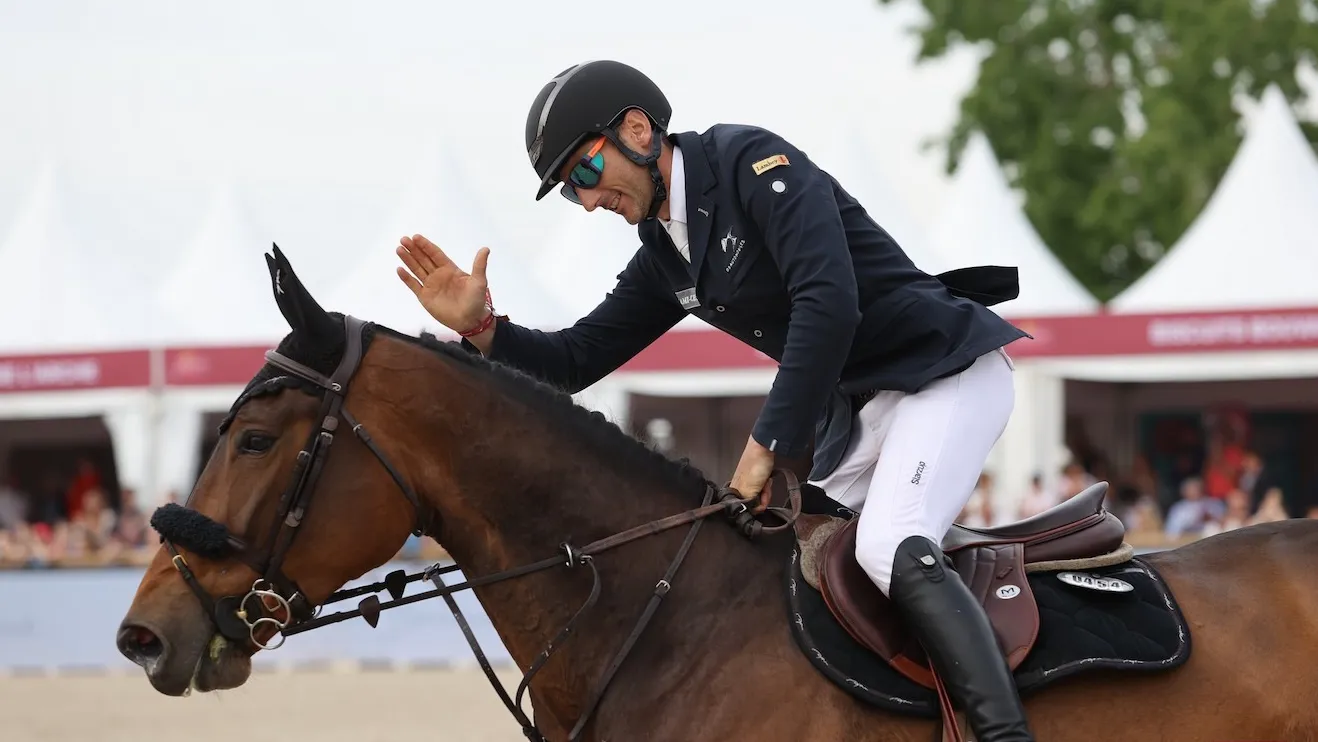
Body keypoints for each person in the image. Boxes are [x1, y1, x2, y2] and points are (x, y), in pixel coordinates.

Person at [394, 59, 1035, 741]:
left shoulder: (749, 163)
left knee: (886, 547)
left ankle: (1004, 734)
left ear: (636, 131)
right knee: (780, 561)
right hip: (871, 412)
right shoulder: (665, 253)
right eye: (570, 191)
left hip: (945, 372)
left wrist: (765, 445)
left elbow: (828, 303)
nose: (587, 201)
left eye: (585, 171)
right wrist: (483, 329)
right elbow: (575, 360)